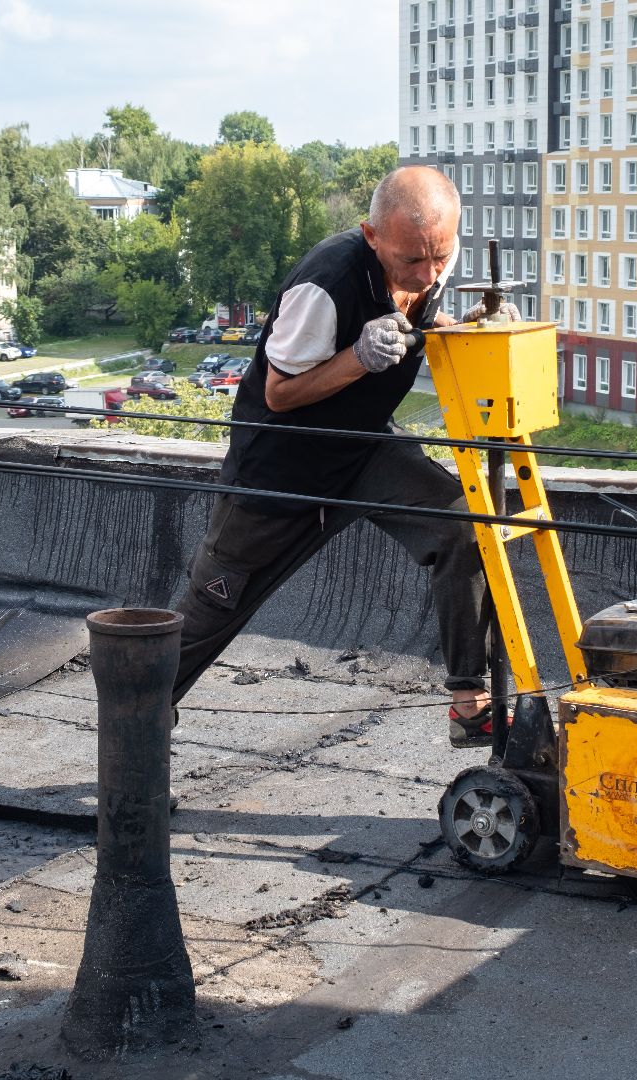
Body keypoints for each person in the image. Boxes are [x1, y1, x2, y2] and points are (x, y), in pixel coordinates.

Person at [171, 165, 497, 746]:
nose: (427, 274)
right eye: (411, 262)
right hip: (285, 465)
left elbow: (419, 315)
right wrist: (358, 357)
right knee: (216, 602)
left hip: (364, 447)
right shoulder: (324, 285)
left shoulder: (428, 257)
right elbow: (279, 393)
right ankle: (139, 717)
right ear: (372, 236)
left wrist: (467, 330)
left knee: (461, 528)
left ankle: (469, 703)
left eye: (439, 258)